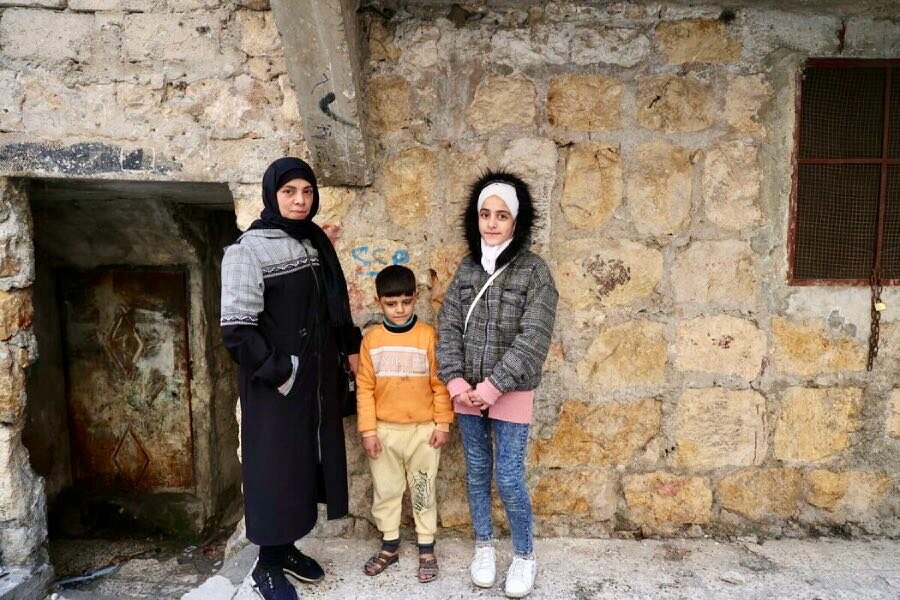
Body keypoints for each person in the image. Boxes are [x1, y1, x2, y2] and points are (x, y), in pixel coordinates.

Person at [220, 157, 361, 600]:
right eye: (289, 192)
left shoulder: (313, 242)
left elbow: (330, 310)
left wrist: (348, 352)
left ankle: (285, 551)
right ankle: (266, 565)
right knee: (276, 471)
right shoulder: (249, 250)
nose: (300, 201)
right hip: (276, 387)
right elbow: (237, 332)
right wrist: (287, 374)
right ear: (272, 195)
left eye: (307, 192)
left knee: (304, 467)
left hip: (314, 385)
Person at [436, 171, 558, 599]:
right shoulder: (468, 270)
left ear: (516, 221)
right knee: (476, 473)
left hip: (510, 393)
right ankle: (484, 546)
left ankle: (524, 555)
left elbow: (534, 338)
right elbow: (448, 325)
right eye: (485, 214)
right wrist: (455, 381)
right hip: (465, 393)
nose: (492, 223)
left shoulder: (535, 273)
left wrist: (491, 386)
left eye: (502, 215)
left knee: (507, 477)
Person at [355, 265, 453, 583]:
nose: (400, 310)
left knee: (423, 490)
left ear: (415, 299)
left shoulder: (427, 336)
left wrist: (442, 424)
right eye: (391, 303)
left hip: (423, 432)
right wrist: (368, 431)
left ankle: (426, 547)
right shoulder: (372, 340)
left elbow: (440, 384)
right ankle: (390, 545)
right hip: (384, 432)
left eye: (406, 302)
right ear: (379, 301)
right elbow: (365, 388)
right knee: (386, 490)